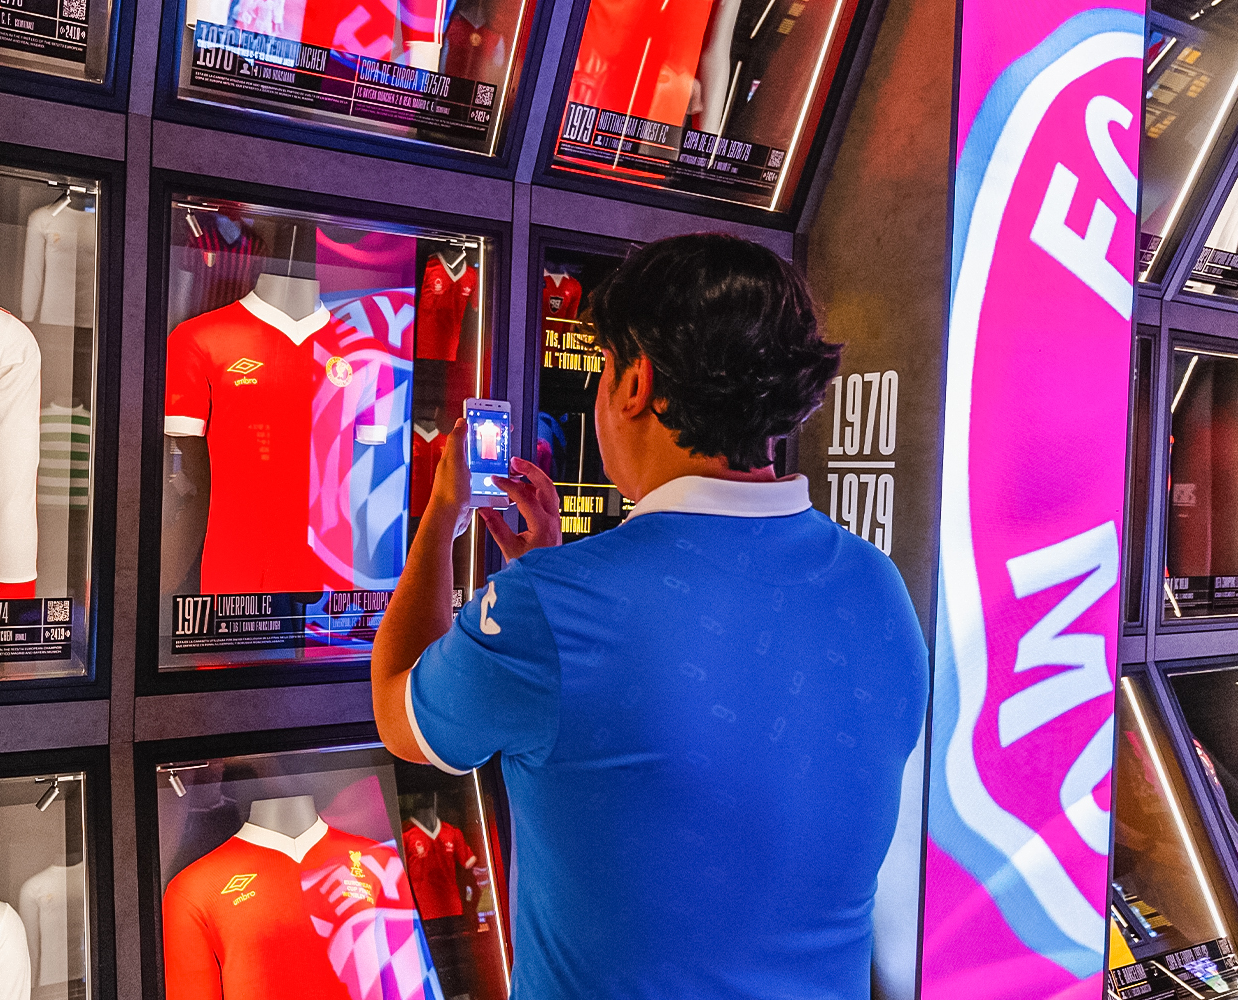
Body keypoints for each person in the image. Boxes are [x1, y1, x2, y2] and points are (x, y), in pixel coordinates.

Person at [371, 233, 928, 999]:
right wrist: (547, 577)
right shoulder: (880, 587)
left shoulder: (554, 605)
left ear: (636, 382)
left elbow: (403, 716)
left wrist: (441, 516)